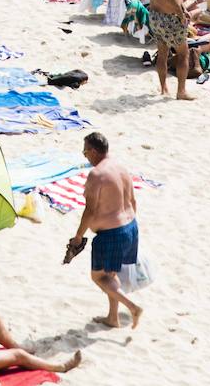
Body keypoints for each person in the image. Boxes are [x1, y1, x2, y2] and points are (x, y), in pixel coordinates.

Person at [65, 131, 143, 330]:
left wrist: (78, 236)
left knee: (99, 277)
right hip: (130, 226)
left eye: (85, 152)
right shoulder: (121, 167)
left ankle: (133, 307)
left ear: (93, 151)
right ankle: (113, 318)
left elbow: (90, 210)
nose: (85, 156)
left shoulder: (97, 175)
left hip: (111, 234)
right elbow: (133, 201)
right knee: (111, 274)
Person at [148, 0, 194, 100]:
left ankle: (163, 88)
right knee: (183, 53)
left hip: (155, 17)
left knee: (162, 53)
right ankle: (181, 91)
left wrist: (184, 9)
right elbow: (174, 0)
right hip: (169, 20)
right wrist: (182, 15)